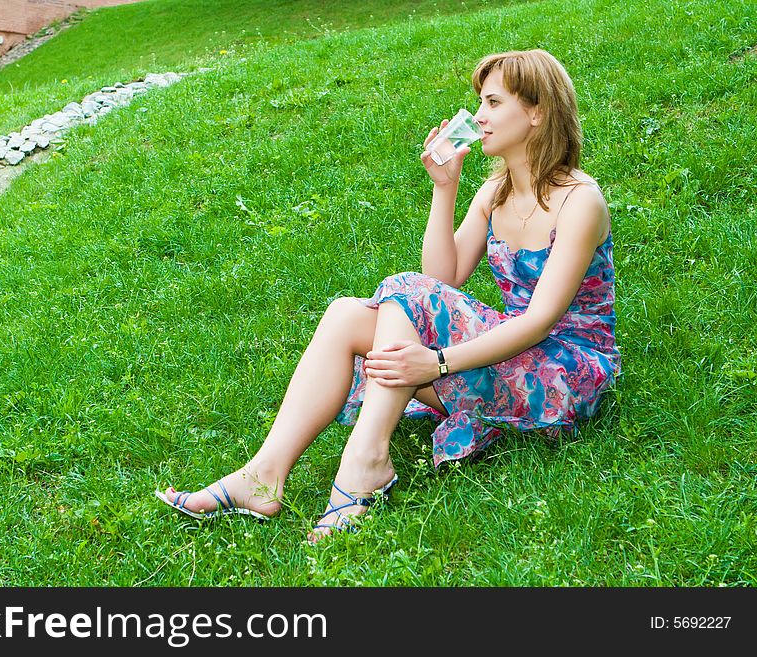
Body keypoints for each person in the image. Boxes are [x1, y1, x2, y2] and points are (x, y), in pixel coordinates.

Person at [155, 49, 621, 543]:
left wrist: (438, 363)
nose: (479, 117)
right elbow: (445, 276)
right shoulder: (494, 193)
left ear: (537, 112)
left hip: (566, 369)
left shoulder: (580, 201)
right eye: (479, 102)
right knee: (344, 316)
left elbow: (540, 321)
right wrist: (445, 188)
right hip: (510, 351)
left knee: (405, 294)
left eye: (492, 102)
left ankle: (365, 464)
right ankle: (263, 476)